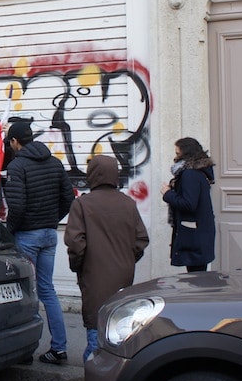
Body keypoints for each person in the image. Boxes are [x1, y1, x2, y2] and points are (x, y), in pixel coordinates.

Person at [65, 155, 149, 363]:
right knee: (118, 331)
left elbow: (76, 243)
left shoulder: (82, 204)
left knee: (96, 334)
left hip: (93, 275)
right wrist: (127, 260)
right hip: (123, 276)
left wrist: (79, 265)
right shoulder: (128, 203)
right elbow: (141, 239)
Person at [3, 121, 74, 365]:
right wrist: (52, 220)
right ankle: (59, 348)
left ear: (14, 142)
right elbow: (68, 198)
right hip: (49, 235)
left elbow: (18, 206)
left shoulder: (17, 166)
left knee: (26, 293)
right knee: (47, 290)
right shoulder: (55, 163)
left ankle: (25, 349)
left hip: (27, 236)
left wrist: (9, 231)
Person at [161, 136, 216, 272]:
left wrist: (167, 193)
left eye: (178, 153)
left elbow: (189, 203)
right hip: (199, 235)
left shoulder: (189, 174)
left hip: (194, 238)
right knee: (198, 276)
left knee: (196, 279)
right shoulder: (198, 172)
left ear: (186, 153)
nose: (175, 157)